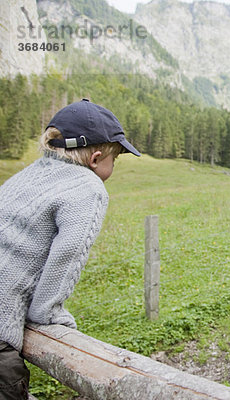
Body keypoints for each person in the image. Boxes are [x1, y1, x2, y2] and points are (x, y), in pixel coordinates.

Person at [0, 99, 140, 399]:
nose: (113, 166)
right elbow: (67, 253)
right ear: (96, 158)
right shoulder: (87, 188)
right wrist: (47, 312)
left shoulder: (28, 174)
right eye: (116, 158)